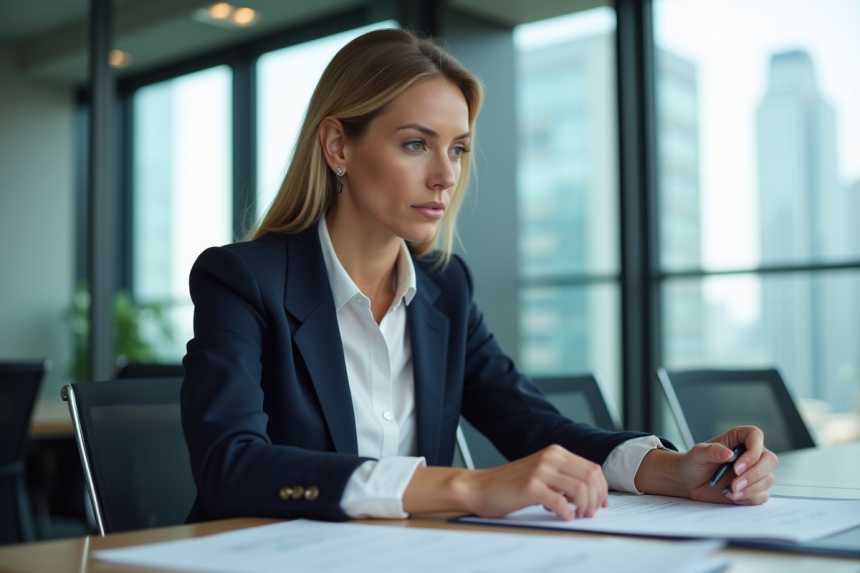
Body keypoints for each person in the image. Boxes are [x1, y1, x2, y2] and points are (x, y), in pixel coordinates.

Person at [181, 28, 778, 524]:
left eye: (458, 149)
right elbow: (230, 466)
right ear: (338, 145)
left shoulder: (445, 288)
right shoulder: (241, 280)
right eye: (416, 144)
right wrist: (468, 486)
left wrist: (673, 471)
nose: (445, 175)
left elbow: (532, 424)